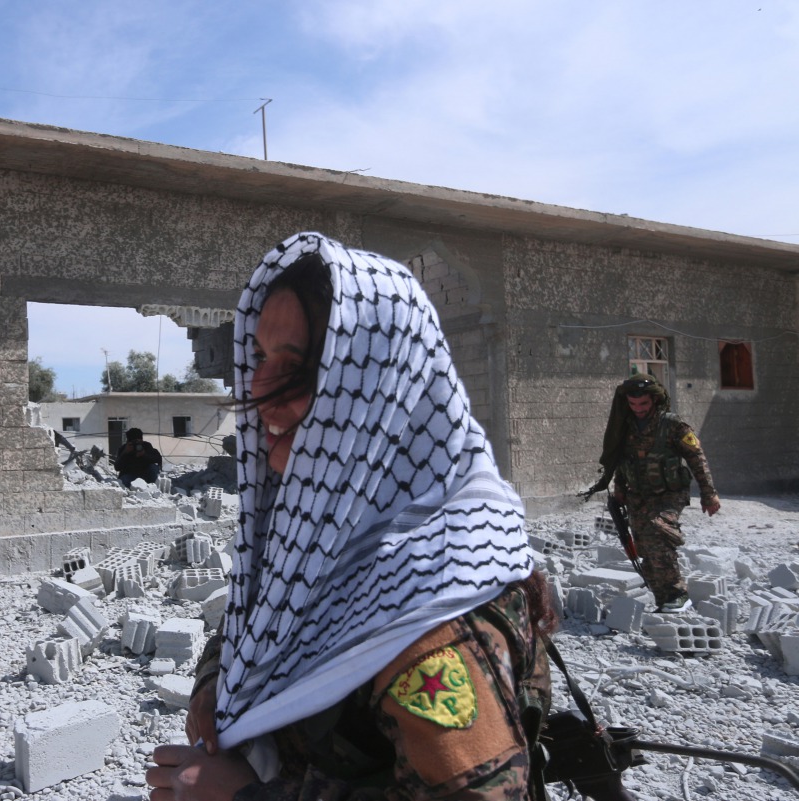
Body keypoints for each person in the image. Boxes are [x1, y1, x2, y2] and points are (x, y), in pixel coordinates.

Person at [146, 232, 557, 801]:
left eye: (297, 366)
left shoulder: (433, 619)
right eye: (260, 357)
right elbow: (276, 614)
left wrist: (242, 797)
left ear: (377, 389)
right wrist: (216, 680)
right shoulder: (331, 529)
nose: (260, 391)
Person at [582, 374, 720, 612]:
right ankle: (663, 600)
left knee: (659, 533)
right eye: (633, 404)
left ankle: (678, 594)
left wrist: (709, 494)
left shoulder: (673, 425)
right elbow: (623, 461)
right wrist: (619, 489)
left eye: (643, 404)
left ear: (654, 400)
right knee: (643, 546)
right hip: (638, 496)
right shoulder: (625, 427)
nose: (638, 409)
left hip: (669, 494)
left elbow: (697, 458)